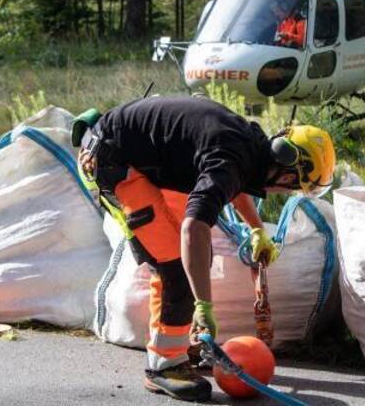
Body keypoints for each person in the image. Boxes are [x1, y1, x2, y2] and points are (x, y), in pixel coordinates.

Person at [75, 96, 335, 402]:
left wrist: (255, 228)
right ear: (288, 175)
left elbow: (233, 184)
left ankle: (183, 342)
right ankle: (164, 366)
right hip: (113, 162)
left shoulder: (251, 145)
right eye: (295, 187)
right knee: (175, 266)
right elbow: (194, 226)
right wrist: (204, 305)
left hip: (142, 156)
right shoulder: (232, 159)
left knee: (195, 256)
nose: (288, 191)